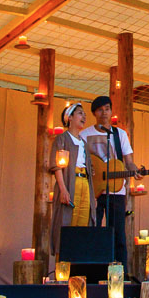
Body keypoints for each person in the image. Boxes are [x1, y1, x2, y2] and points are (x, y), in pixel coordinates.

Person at [84, 95, 140, 272]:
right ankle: (93, 272)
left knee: (118, 234)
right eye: (100, 110)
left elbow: (128, 161)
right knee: (93, 231)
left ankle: (120, 273)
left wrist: (135, 170)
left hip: (116, 191)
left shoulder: (119, 134)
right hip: (93, 190)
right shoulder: (85, 134)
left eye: (107, 109)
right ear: (94, 113)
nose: (104, 113)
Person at [50, 102, 95, 263]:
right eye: (80, 113)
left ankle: (78, 266)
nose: (84, 117)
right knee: (67, 222)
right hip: (70, 181)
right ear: (69, 118)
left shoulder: (83, 143)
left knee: (83, 224)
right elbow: (57, 166)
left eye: (84, 114)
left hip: (84, 183)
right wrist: (63, 189)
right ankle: (62, 267)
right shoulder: (62, 139)